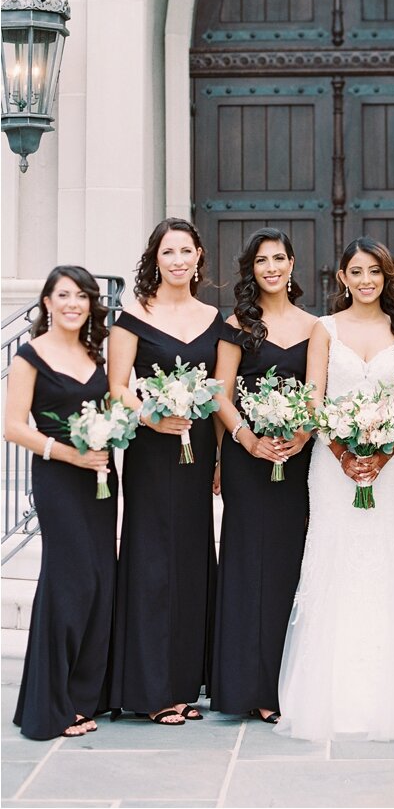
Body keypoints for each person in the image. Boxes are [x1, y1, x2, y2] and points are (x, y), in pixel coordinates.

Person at [275, 237, 394, 741]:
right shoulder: (324, 330)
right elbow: (314, 400)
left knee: (385, 558)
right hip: (332, 466)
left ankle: (388, 695)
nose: (366, 279)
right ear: (342, 278)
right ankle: (329, 696)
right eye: (356, 271)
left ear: (386, 276)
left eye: (374, 270)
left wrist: (383, 451)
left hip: (388, 466)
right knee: (335, 559)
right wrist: (345, 454)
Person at [108, 219, 224, 725]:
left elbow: (220, 393)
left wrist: (220, 456)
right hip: (151, 454)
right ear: (155, 259)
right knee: (152, 560)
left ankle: (183, 684)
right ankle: (151, 688)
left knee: (192, 556)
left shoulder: (216, 319)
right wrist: (150, 416)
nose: (178, 260)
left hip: (197, 451)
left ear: (199, 256)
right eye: (167, 251)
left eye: (185, 251)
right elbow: (117, 388)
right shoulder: (131, 317)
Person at [210, 228, 318, 723]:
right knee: (243, 562)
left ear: (292, 264)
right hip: (246, 459)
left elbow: (317, 397)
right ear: (250, 270)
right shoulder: (237, 325)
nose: (271, 267)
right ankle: (239, 687)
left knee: (284, 566)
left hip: (294, 461)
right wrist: (245, 439)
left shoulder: (315, 328)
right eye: (261, 261)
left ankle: (277, 685)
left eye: (279, 258)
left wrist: (301, 435)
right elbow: (220, 393)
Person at [6, 267, 116, 739]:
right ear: (47, 302)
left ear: (90, 305)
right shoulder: (30, 356)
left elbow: (109, 413)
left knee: (97, 581)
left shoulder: (95, 353)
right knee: (67, 584)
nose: (73, 303)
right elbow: (12, 426)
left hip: (99, 483)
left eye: (82, 296)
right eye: (63, 295)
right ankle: (49, 706)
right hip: (57, 478)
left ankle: (82, 697)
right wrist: (68, 452)